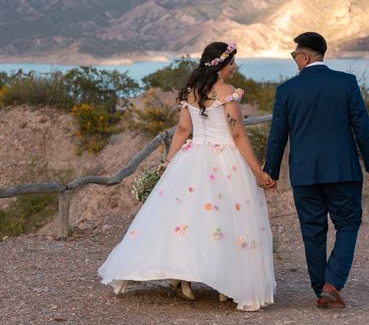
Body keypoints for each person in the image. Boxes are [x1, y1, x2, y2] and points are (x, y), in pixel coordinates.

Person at [99, 42, 276, 311]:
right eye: (232, 63)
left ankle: (183, 274)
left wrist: (169, 163)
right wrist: (258, 171)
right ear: (219, 66)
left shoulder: (192, 92)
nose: (235, 68)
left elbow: (183, 129)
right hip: (225, 161)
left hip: (193, 158)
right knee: (227, 220)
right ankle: (226, 284)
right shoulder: (227, 92)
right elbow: (238, 134)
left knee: (186, 218)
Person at [264, 31, 369, 308]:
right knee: (348, 224)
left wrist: (271, 172)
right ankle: (332, 284)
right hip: (343, 170)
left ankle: (320, 289)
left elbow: (277, 136)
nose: (295, 61)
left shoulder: (286, 90)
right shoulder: (346, 83)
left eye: (295, 56)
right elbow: (362, 127)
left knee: (312, 231)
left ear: (304, 57)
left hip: (304, 174)